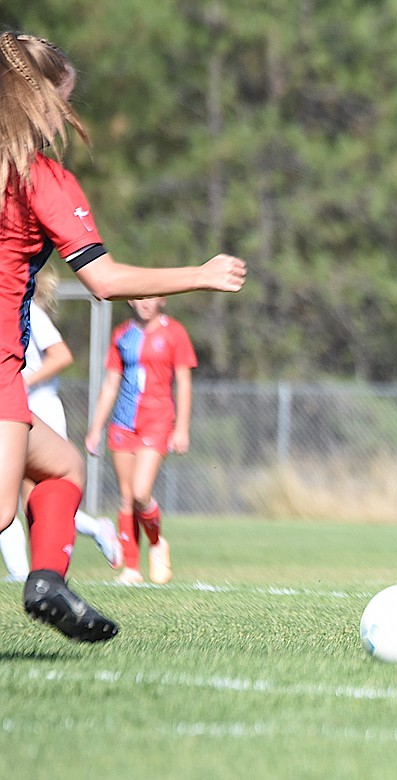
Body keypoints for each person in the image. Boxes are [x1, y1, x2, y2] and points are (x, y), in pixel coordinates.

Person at [0, 31, 246, 642]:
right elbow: (104, 279)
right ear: (37, 100)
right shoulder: (40, 177)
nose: (67, 115)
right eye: (63, 100)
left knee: (61, 468)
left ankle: (47, 582)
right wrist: (201, 274)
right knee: (4, 507)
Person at [0, 266, 122, 582]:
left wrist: (23, 382)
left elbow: (61, 356)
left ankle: (95, 529)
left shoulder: (28, 312)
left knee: (35, 502)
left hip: (40, 411)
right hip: (14, 410)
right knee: (14, 499)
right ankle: (21, 573)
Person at [84, 296, 194, 586]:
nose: (145, 303)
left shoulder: (174, 333)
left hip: (157, 420)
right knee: (126, 496)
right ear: (131, 300)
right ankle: (131, 569)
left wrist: (181, 428)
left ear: (163, 299)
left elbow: (183, 382)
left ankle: (157, 543)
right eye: (140, 297)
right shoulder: (122, 334)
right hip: (123, 422)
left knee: (141, 492)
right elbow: (111, 384)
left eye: (152, 297)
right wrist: (95, 428)